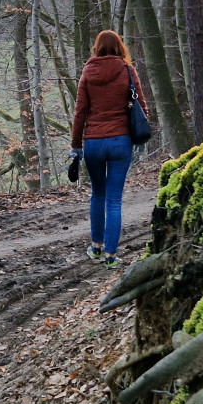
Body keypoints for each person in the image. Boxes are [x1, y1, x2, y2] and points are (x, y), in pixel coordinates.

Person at [70, 30, 148, 269]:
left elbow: (80, 111)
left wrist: (76, 145)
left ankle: (95, 246)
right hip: (120, 140)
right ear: (119, 47)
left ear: (97, 48)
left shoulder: (87, 72)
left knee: (98, 194)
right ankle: (111, 256)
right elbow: (141, 105)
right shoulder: (127, 70)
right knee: (114, 199)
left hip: (93, 141)